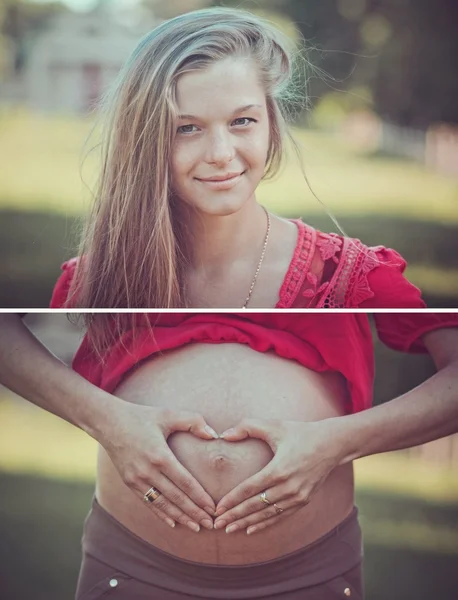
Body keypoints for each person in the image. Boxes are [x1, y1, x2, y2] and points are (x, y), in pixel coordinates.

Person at [1, 311, 458, 600]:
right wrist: (103, 419)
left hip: (305, 570)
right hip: (136, 562)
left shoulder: (348, 271)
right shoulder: (113, 258)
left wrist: (336, 442)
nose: (220, 154)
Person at [51, 7, 429, 310]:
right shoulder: (92, 282)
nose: (220, 154)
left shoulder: (350, 276)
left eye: (242, 121)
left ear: (271, 125)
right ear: (143, 141)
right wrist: (103, 410)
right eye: (186, 128)